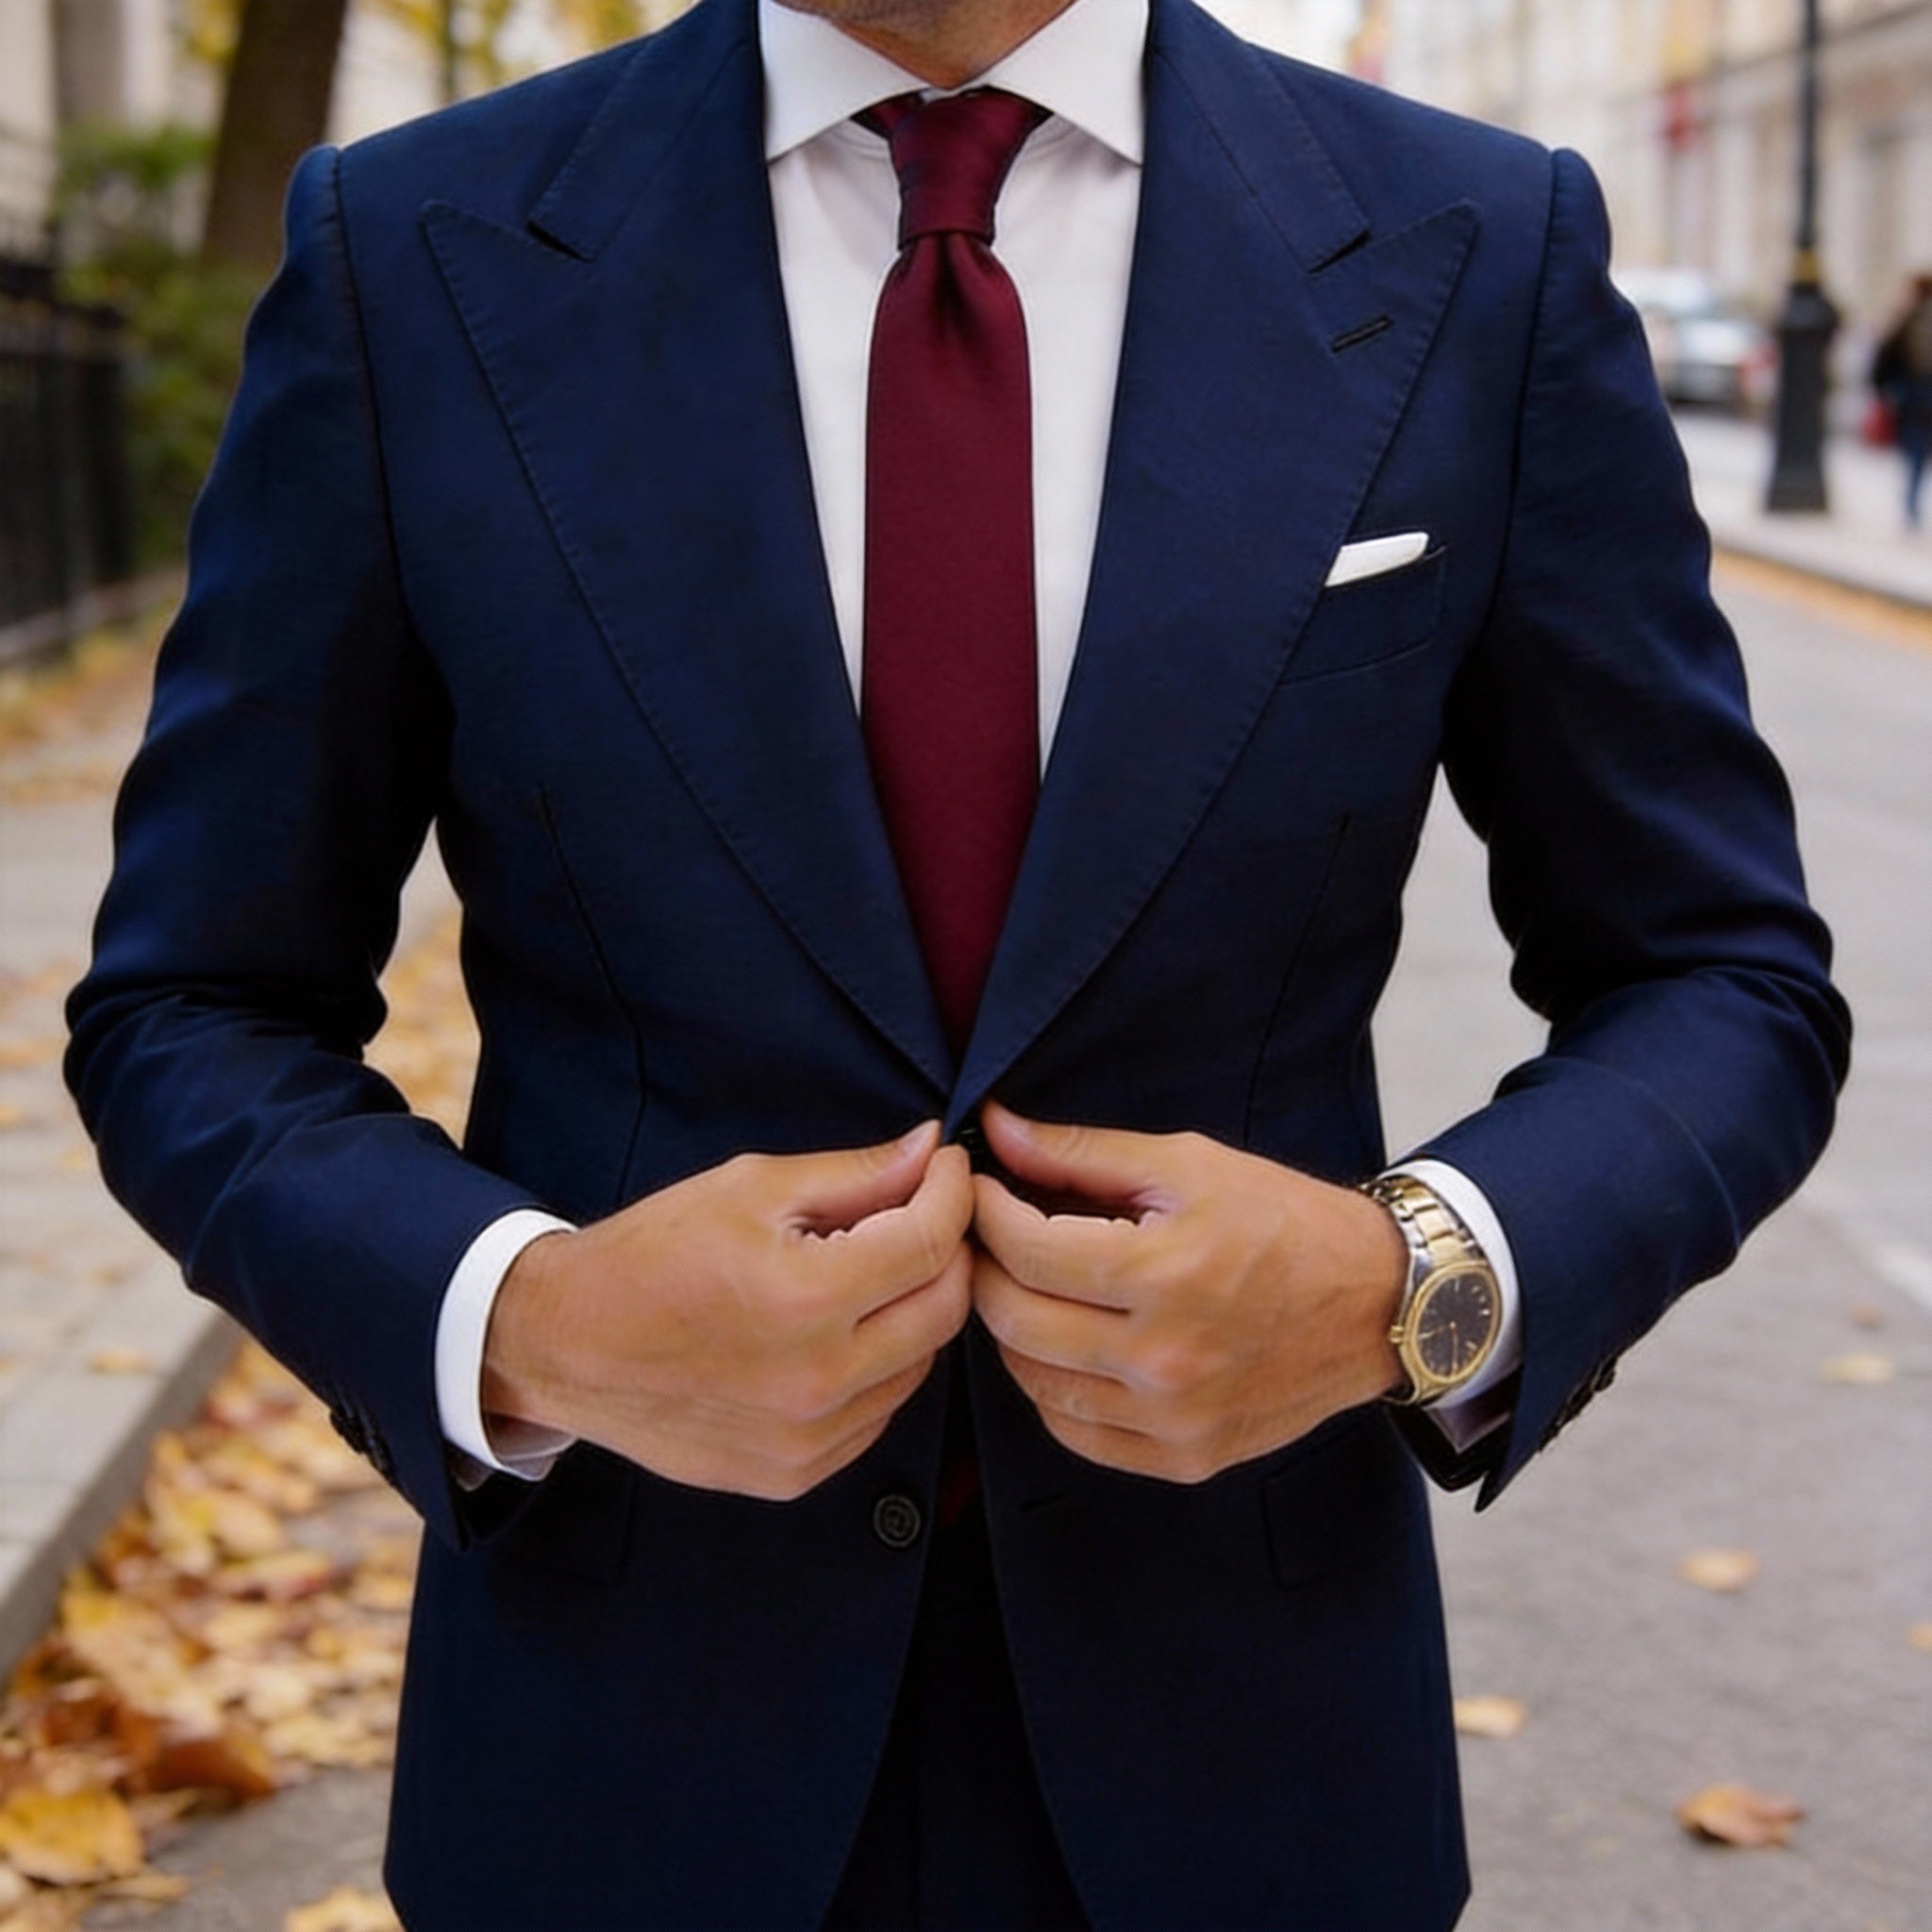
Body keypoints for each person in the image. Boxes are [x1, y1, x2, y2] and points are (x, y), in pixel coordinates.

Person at [65, 0, 1850, 1926]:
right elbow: (194, 1002)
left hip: (1246, 1751)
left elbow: (1716, 972)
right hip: (618, 1749)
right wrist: (532, 1318)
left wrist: (1396, 1279)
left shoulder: (1473, 247)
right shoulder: (411, 247)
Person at [1874, 272, 1932, 527]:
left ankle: (1911, 499)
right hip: (1919, 392)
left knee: (1914, 446)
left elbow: (1887, 353)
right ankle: (1911, 500)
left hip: (1913, 392)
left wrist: (1881, 386)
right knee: (1918, 446)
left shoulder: (1908, 317)